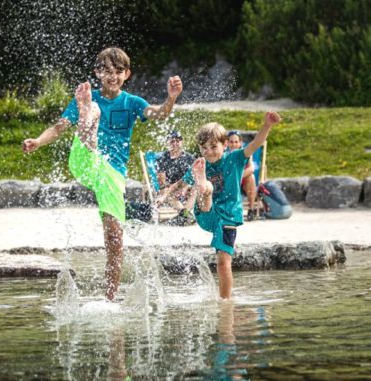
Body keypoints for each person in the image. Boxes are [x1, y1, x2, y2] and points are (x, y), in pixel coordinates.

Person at [22, 47, 182, 301]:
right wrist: (38, 141)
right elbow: (58, 127)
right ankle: (89, 120)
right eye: (106, 70)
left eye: (118, 71)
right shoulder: (88, 96)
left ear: (127, 74)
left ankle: (110, 297)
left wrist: (171, 98)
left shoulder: (132, 103)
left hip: (111, 175)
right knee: (90, 119)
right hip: (84, 159)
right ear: (97, 72)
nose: (112, 76)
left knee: (115, 234)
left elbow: (159, 114)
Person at [157, 111, 281, 299]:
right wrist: (163, 195)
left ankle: (225, 301)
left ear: (225, 145)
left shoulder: (236, 158)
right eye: (204, 148)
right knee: (204, 189)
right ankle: (204, 186)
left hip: (228, 216)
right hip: (205, 213)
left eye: (213, 146)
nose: (208, 151)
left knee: (223, 262)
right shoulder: (201, 164)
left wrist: (267, 125)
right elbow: (179, 185)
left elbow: (256, 143)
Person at [154, 130, 195, 225]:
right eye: (172, 141)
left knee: (196, 188)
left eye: (178, 140)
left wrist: (185, 188)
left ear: (182, 142)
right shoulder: (162, 158)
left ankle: (185, 215)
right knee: (165, 193)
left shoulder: (189, 158)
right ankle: (185, 214)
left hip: (186, 186)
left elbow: (193, 177)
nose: (175, 143)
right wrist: (169, 189)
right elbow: (162, 181)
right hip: (170, 188)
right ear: (168, 143)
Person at [227, 130, 259, 221]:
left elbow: (251, 168)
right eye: (231, 142)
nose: (234, 144)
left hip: (242, 180)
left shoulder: (245, 153)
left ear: (240, 143)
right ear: (227, 143)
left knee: (251, 177)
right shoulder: (225, 154)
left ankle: (251, 209)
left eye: (236, 142)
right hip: (229, 182)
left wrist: (239, 176)